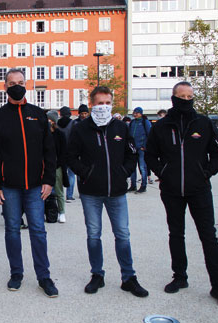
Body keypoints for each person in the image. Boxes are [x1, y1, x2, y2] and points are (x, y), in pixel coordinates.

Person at [145, 81, 218, 309]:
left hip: (199, 189)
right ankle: (180, 276)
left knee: (209, 236)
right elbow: (150, 155)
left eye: (190, 96)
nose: (186, 100)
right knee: (176, 234)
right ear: (173, 98)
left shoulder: (203, 123)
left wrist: (206, 173)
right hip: (172, 190)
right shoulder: (161, 126)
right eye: (182, 96)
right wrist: (163, 173)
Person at [66, 86, 148, 298]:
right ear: (92, 103)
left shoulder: (121, 127)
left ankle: (128, 277)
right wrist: (86, 173)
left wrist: (124, 172)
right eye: (99, 103)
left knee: (122, 234)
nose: (103, 107)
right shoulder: (81, 128)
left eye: (107, 103)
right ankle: (97, 275)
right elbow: (71, 156)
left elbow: (131, 155)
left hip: (117, 191)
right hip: (91, 192)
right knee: (94, 234)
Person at [0, 68, 58, 297]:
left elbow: (49, 151)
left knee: (38, 230)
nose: (16, 85)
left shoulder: (37, 114)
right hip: (9, 186)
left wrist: (48, 181)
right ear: (5, 86)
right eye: (12, 82)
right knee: (12, 230)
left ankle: (44, 276)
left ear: (26, 84)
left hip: (36, 185)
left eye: (20, 81)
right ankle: (16, 273)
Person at [47, 110, 68, 223]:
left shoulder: (60, 134)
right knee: (44, 191)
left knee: (58, 190)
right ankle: (47, 211)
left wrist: (59, 163)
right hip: (45, 166)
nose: (48, 122)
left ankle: (62, 212)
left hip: (57, 166)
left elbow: (64, 152)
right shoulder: (43, 133)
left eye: (49, 120)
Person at [128, 107, 152, 193]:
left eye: (137, 113)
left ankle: (143, 185)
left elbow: (150, 135)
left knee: (142, 167)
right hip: (133, 149)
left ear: (141, 113)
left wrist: (144, 146)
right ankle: (133, 185)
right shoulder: (132, 123)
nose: (135, 114)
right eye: (134, 113)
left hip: (141, 148)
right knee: (132, 168)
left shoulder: (145, 122)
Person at [57, 106, 75, 202]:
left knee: (59, 174)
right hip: (71, 152)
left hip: (60, 153)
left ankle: (58, 194)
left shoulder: (57, 124)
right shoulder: (73, 124)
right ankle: (69, 195)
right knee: (71, 175)